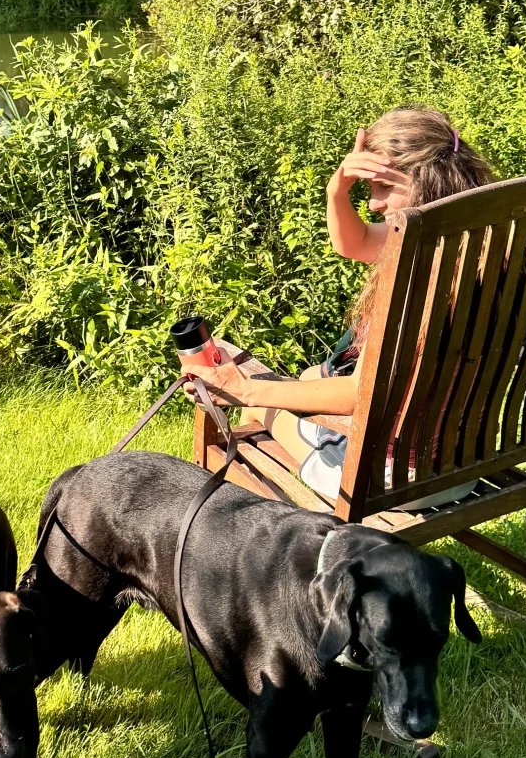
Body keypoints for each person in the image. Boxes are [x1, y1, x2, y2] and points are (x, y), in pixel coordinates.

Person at [180, 107, 494, 501]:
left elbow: (356, 394)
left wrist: (245, 389)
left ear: (425, 182)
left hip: (390, 479)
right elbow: (354, 243)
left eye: (384, 189)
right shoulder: (485, 247)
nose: (375, 205)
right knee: (311, 376)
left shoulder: (418, 278)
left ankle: (287, 541)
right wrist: (336, 190)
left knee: (261, 407)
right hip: (466, 464)